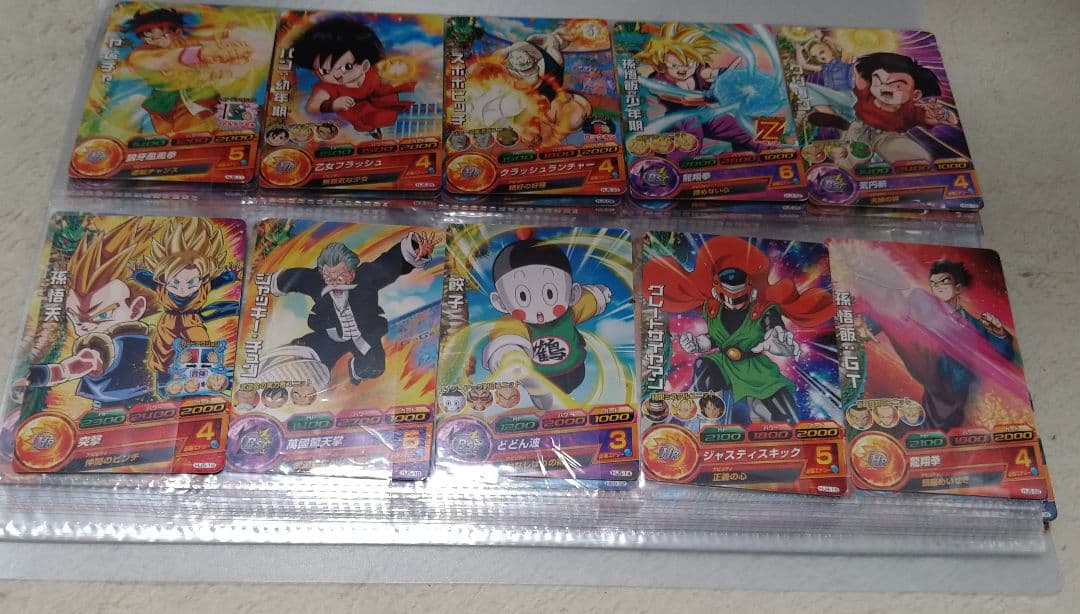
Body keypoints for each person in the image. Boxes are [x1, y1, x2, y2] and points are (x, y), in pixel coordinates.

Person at [644, 236, 835, 425]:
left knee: (785, 419)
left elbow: (774, 328)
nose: (734, 304)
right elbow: (715, 338)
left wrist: (779, 340)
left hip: (755, 368)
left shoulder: (763, 310)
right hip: (723, 364)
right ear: (717, 293)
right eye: (728, 298)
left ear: (749, 292)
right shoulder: (712, 309)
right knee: (705, 364)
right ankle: (711, 421)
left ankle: (762, 425)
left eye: (739, 298)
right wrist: (698, 344)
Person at [855, 260, 1016, 430]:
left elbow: (1000, 356)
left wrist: (999, 333)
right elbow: (887, 312)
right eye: (934, 283)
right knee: (934, 425)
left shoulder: (971, 324)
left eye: (944, 282)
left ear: (958, 288)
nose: (938, 287)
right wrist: (863, 324)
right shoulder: (919, 300)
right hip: (936, 385)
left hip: (959, 392)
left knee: (944, 426)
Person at [268, 232, 437, 384]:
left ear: (352, 273)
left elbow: (387, 264)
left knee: (374, 365)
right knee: (317, 351)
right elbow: (297, 277)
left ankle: (354, 370)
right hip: (331, 335)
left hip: (364, 335)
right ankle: (304, 352)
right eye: (328, 277)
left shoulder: (366, 278)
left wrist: (414, 250)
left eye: (340, 276)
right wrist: (272, 281)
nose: (334, 282)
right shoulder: (316, 281)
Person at [22, 219, 155, 408]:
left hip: (154, 403)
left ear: (135, 309)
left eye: (102, 315)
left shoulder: (154, 335)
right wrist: (35, 376)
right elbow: (67, 370)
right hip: (111, 412)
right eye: (76, 319)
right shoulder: (97, 348)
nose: (84, 327)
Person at [482, 230, 611, 410]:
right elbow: (507, 336)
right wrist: (508, 352)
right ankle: (543, 399)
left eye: (550, 294)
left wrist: (598, 296)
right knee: (545, 400)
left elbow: (585, 302)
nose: (539, 310)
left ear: (571, 293)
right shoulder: (514, 323)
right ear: (500, 302)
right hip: (541, 379)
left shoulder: (569, 312)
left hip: (575, 369)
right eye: (523, 296)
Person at [135, 218, 238, 390]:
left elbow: (220, 280)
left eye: (191, 283)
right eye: (175, 283)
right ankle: (163, 385)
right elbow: (145, 278)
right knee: (163, 354)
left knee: (202, 351)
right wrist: (136, 273)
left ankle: (201, 383)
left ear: (202, 279)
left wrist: (232, 275)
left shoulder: (204, 286)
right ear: (164, 278)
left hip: (192, 323)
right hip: (167, 326)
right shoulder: (161, 286)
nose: (183, 289)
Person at [124, 8, 253, 133]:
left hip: (200, 95)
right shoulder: (140, 54)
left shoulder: (188, 43)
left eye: (164, 35)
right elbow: (164, 60)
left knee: (226, 118)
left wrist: (228, 39)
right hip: (165, 101)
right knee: (173, 132)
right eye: (150, 38)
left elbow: (213, 42)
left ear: (177, 32)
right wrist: (202, 54)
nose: (158, 42)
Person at [293, 17, 416, 140]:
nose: (336, 75)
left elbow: (392, 69)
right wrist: (332, 105)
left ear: (365, 65)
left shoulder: (373, 70)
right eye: (325, 71)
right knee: (369, 122)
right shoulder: (327, 86)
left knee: (388, 112)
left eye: (347, 67)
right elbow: (312, 106)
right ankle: (372, 129)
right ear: (315, 73)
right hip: (356, 110)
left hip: (378, 97)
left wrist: (399, 73)